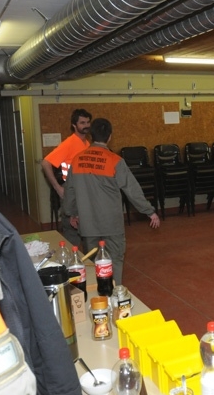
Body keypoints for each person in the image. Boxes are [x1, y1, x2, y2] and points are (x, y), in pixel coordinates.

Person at [63, 118, 160, 285]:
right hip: (112, 224)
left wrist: (71, 213)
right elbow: (132, 190)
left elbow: (69, 191)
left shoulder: (77, 160)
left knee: (92, 263)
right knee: (114, 260)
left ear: (91, 136)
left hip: (88, 224)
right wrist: (149, 211)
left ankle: (96, 294)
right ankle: (115, 293)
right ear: (109, 137)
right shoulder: (115, 161)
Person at [41, 109, 92, 248]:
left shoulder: (87, 144)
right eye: (82, 123)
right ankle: (71, 260)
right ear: (74, 125)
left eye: (88, 122)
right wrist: (57, 187)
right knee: (72, 235)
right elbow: (45, 163)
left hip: (84, 193)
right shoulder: (69, 143)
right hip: (71, 193)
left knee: (86, 233)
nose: (86, 125)